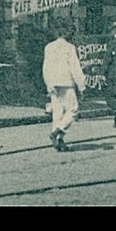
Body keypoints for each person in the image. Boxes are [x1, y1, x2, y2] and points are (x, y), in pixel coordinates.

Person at [41, 22, 87, 152]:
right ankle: (57, 132)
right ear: (67, 33)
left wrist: (48, 84)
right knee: (73, 110)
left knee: (58, 112)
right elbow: (75, 68)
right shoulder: (69, 47)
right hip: (66, 82)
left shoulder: (48, 47)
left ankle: (59, 141)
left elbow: (45, 67)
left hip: (53, 82)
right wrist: (82, 86)